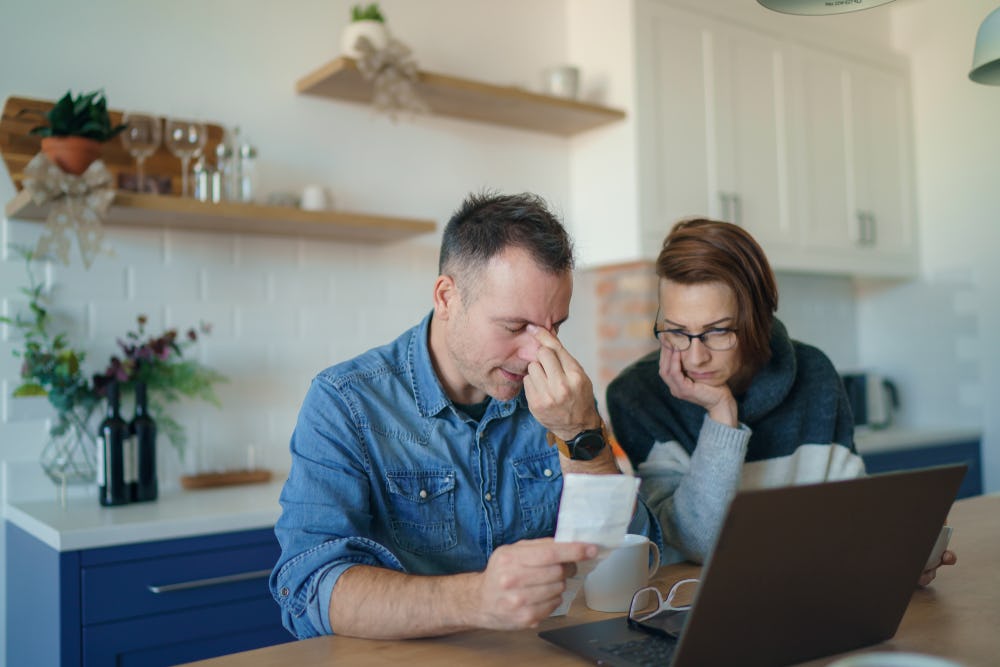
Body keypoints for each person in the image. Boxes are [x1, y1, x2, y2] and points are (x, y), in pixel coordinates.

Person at [270, 191, 660, 640]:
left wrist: (581, 434)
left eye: (555, 327)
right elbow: (308, 588)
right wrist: (478, 599)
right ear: (447, 297)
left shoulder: (560, 399)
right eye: (515, 327)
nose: (539, 352)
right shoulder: (345, 402)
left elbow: (627, 558)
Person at [606, 218, 955, 585]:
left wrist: (897, 555)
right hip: (691, 608)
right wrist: (722, 415)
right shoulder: (636, 397)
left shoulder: (814, 374)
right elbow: (697, 543)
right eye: (677, 332)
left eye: (718, 331)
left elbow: (850, 512)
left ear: (758, 319)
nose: (694, 359)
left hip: (809, 594)